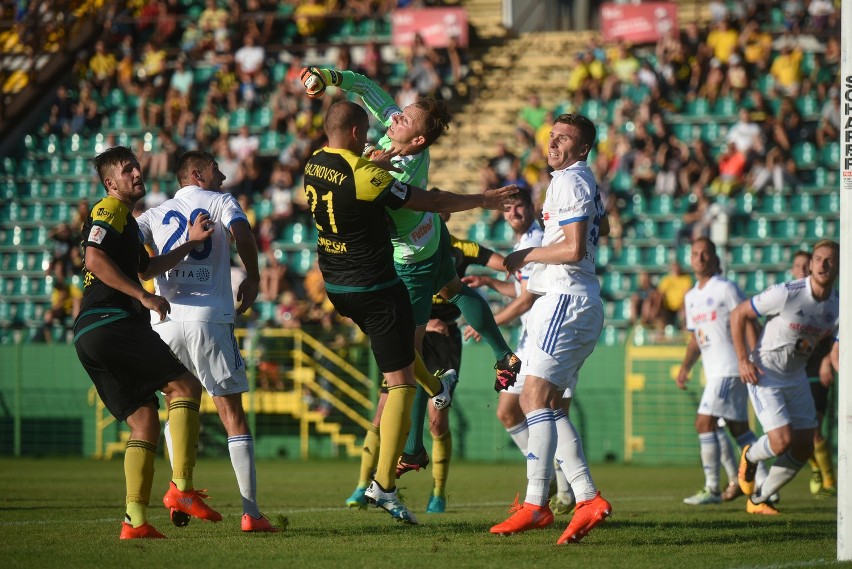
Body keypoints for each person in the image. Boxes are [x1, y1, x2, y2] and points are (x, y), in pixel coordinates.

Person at [299, 67, 523, 507]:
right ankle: (503, 353)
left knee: (408, 358)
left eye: (404, 121)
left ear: (418, 140)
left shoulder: (399, 162)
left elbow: (370, 188)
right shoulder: (398, 134)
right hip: (432, 234)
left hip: (410, 257)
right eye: (397, 115)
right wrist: (329, 76)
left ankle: (414, 447)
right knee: (456, 287)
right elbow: (364, 86)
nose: (395, 119)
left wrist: (482, 199)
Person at [73, 146, 220, 539]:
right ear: (110, 184)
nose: (136, 173)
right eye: (127, 170)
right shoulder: (110, 209)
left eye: (136, 166)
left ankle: (134, 520)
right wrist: (142, 296)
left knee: (144, 420)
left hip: (88, 334)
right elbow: (92, 259)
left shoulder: (128, 224)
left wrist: (188, 245)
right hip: (112, 320)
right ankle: (183, 489)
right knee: (185, 385)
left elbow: (146, 267)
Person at [136, 150, 276, 533]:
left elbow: (132, 255)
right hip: (208, 318)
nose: (225, 176)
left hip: (164, 321)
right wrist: (253, 275)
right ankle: (251, 513)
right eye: (216, 169)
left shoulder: (152, 213)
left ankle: (181, 489)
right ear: (196, 174)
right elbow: (242, 232)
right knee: (233, 415)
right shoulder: (219, 201)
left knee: (179, 403)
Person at [489, 113, 611, 545]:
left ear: (582, 149)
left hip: (564, 298)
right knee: (551, 406)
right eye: (553, 136)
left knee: (530, 397)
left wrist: (530, 256)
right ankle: (587, 498)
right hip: (576, 300)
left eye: (566, 139)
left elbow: (576, 248)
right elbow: (603, 228)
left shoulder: (571, 180)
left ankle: (537, 503)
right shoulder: (583, 181)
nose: (555, 143)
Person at [463, 187, 575, 514]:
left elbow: (529, 298)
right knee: (507, 411)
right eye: (507, 209)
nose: (513, 213)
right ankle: (552, 479)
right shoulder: (522, 244)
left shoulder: (535, 240)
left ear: (531, 208)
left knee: (554, 413)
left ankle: (566, 490)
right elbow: (521, 288)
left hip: (548, 337)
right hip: (527, 341)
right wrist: (489, 283)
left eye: (519, 207)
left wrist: (488, 322)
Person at [403, 211, 507, 513]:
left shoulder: (462, 248)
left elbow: (502, 262)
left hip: (445, 340)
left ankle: (438, 491)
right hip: (413, 335)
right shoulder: (405, 249)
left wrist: (524, 262)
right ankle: (372, 485)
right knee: (393, 411)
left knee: (437, 422)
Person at [731, 240, 840, 515]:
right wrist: (743, 359)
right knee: (781, 441)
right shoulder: (787, 293)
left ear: (839, 266)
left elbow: (838, 352)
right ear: (812, 264)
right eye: (818, 259)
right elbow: (739, 313)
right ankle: (750, 455)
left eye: (829, 260)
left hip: (797, 377)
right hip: (764, 373)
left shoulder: (840, 306)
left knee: (803, 447)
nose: (823, 264)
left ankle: (759, 499)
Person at [675, 237, 768, 505]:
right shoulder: (691, 297)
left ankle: (713, 488)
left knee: (704, 422)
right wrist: (685, 367)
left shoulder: (726, 288)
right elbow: (696, 338)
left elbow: (748, 319)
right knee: (739, 429)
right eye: (695, 253)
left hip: (730, 368)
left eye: (705, 253)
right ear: (690, 259)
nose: (700, 258)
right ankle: (762, 480)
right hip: (715, 370)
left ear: (715, 259)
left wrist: (754, 358)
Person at [789, 250, 836, 497]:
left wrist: (829, 359)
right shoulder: (786, 298)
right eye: (798, 266)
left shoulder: (828, 299)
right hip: (790, 372)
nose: (802, 269)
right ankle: (815, 465)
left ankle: (829, 481)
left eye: (806, 265)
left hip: (817, 370)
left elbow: (839, 335)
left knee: (814, 428)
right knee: (790, 432)